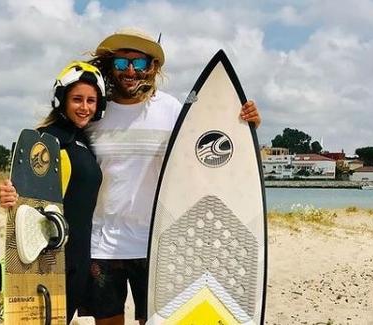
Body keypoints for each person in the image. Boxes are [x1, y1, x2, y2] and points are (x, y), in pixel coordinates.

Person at [79, 28, 262, 325]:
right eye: (122, 63)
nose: (130, 71)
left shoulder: (171, 110)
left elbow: (205, 156)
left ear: (152, 67)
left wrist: (244, 122)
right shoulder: (95, 111)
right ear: (110, 66)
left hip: (160, 242)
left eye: (138, 63)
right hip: (102, 243)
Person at [0, 61, 105, 322]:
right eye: (77, 99)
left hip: (78, 256)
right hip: (50, 257)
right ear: (62, 100)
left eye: (91, 101)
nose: (85, 107)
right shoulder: (47, 141)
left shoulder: (83, 142)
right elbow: (24, 200)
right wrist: (8, 195)